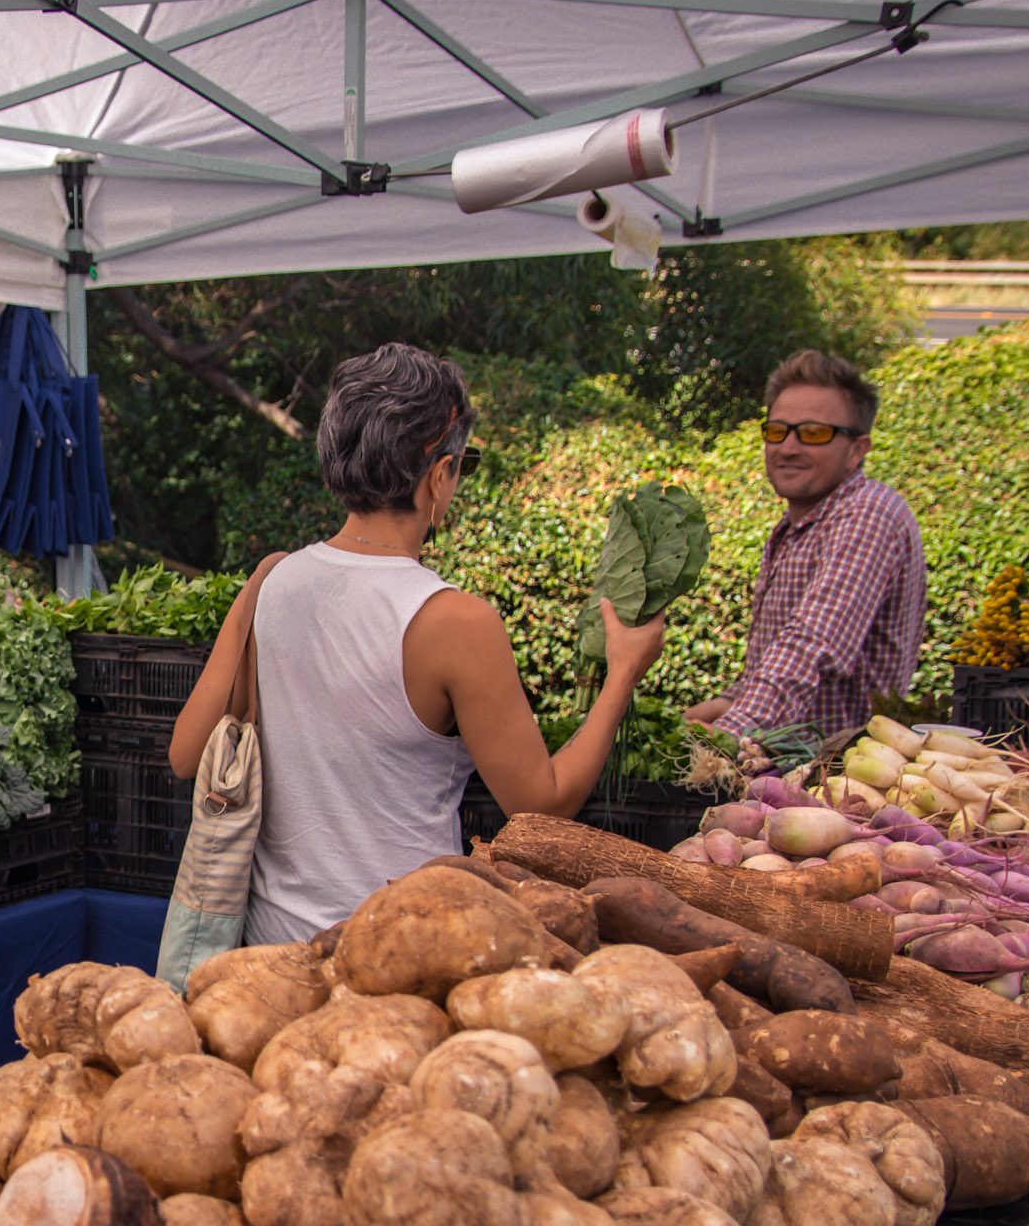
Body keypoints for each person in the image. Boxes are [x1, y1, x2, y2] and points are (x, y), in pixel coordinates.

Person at [167, 343, 666, 946]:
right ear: (438, 475)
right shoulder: (456, 621)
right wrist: (622, 674)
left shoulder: (270, 580)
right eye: (463, 464)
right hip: (400, 953)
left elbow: (187, 755)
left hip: (270, 952)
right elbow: (543, 804)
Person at [684, 350, 926, 740]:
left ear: (857, 449)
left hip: (835, 782)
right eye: (777, 430)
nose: (788, 447)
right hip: (779, 773)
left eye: (813, 433)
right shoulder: (800, 525)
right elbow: (780, 662)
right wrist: (730, 701)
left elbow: (812, 646)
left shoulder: (867, 514)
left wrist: (723, 739)